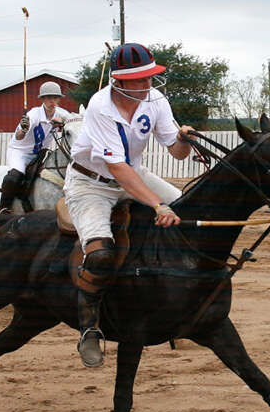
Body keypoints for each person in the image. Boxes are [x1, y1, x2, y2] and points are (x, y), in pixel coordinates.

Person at [63, 42, 195, 368]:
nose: (148, 83)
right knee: (100, 253)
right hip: (91, 184)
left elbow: (175, 152)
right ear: (119, 81)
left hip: (136, 175)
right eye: (139, 79)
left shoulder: (156, 100)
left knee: (188, 217)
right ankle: (90, 329)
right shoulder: (99, 107)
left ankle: (180, 308)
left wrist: (183, 140)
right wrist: (157, 206)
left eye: (150, 76)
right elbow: (118, 168)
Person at [0, 81, 72, 214]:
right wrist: (24, 129)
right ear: (43, 99)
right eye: (49, 98)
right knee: (16, 175)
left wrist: (64, 124)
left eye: (55, 98)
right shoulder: (33, 115)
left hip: (41, 153)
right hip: (20, 151)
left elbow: (73, 124)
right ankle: (4, 208)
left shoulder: (61, 114)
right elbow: (19, 137)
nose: (52, 101)